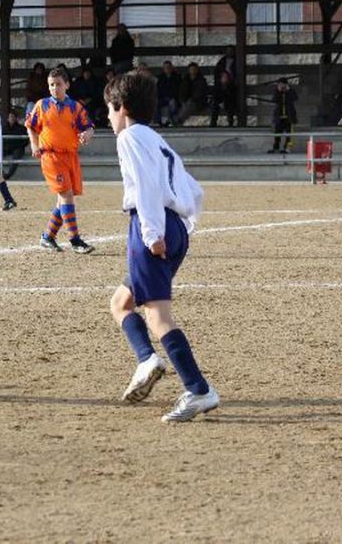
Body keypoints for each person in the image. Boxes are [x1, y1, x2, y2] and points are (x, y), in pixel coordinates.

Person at [103, 70, 219, 422]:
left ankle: (198, 390)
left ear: (122, 108)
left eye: (109, 109)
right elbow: (192, 188)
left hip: (152, 226)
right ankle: (146, 359)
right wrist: (181, 226)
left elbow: (146, 187)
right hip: (175, 226)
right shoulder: (157, 139)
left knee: (157, 315)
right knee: (121, 302)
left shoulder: (129, 138)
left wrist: (153, 234)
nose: (108, 117)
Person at [26, 67, 95, 254]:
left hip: (70, 157)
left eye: (58, 84)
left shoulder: (75, 107)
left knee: (62, 200)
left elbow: (88, 127)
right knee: (66, 195)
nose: (54, 88)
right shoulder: (42, 105)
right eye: (51, 85)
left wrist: (87, 134)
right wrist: (34, 145)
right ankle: (75, 240)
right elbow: (31, 126)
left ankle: (48, 237)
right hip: (51, 156)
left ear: (67, 85)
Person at [174, 62, 208, 126]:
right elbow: (182, 91)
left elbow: (200, 93)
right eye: (191, 69)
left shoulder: (201, 81)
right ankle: (178, 121)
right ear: (189, 70)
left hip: (198, 102)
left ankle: (179, 120)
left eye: (194, 69)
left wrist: (192, 99)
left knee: (189, 104)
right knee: (183, 104)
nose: (193, 71)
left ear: (197, 70)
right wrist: (183, 99)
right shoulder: (185, 80)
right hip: (186, 101)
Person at [269, 79, 298, 153]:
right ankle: (276, 147)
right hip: (279, 116)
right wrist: (278, 91)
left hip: (289, 116)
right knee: (277, 133)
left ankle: (287, 148)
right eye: (280, 85)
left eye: (283, 85)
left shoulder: (291, 91)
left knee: (289, 134)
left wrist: (288, 90)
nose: (282, 87)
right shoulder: (277, 92)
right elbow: (274, 100)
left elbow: (295, 98)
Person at [1, 108, 29, 180]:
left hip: (17, 148)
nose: (11, 118)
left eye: (13, 117)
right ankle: (2, 173)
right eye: (10, 117)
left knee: (16, 158)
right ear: (8, 118)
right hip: (5, 148)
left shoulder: (22, 128)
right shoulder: (3, 128)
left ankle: (8, 175)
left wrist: (17, 145)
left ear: (16, 118)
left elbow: (26, 141)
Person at [156, 60, 181, 127]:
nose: (167, 69)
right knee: (163, 106)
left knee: (169, 106)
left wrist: (172, 98)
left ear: (171, 68)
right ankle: (163, 121)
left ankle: (169, 121)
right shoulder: (160, 78)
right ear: (163, 69)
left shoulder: (177, 78)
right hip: (163, 99)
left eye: (168, 67)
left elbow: (178, 90)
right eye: (165, 67)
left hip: (174, 98)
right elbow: (158, 90)